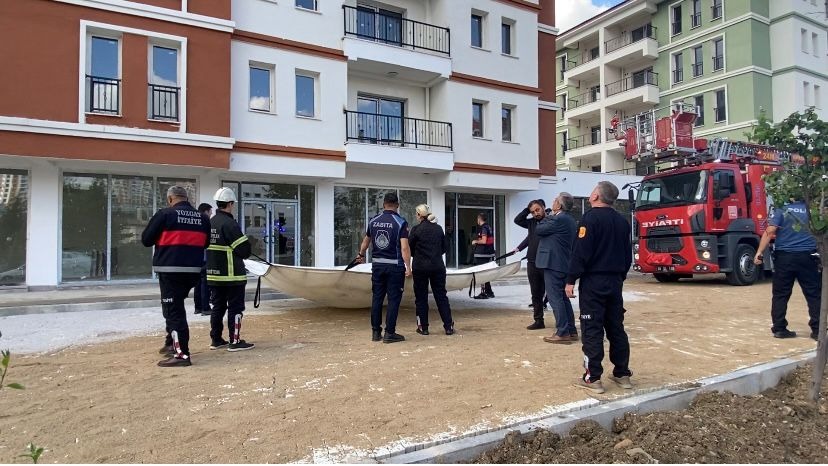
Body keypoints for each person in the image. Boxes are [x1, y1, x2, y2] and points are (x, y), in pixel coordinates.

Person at [565, 181, 633, 394]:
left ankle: (592, 377)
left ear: (596, 196)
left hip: (594, 282)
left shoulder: (590, 219)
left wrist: (570, 280)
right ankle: (622, 374)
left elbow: (580, 253)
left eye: (593, 189)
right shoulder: (622, 221)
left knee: (591, 328)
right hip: (615, 282)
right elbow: (626, 254)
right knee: (616, 327)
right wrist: (619, 276)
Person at [141, 186, 210, 367]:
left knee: (174, 311)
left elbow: (146, 240)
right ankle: (171, 342)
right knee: (174, 308)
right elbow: (206, 242)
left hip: (170, 270)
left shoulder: (165, 215)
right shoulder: (203, 218)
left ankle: (181, 354)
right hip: (193, 271)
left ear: (170, 199)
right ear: (186, 198)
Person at [754, 199, 821, 341]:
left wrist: (759, 252)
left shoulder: (782, 209)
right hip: (807, 257)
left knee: (780, 294)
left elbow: (770, 230)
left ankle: (779, 329)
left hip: (784, 258)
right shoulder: (812, 210)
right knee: (813, 294)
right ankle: (817, 330)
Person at [355, 192, 412, 343]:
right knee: (393, 300)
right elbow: (405, 247)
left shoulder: (374, 221)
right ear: (397, 205)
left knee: (377, 298)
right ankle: (389, 333)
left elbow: (366, 241)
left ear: (383, 204)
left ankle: (375, 332)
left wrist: (360, 255)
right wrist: (408, 266)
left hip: (378, 266)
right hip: (395, 266)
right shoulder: (400, 222)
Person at [206, 187, 254, 352]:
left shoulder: (210, 222)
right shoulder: (229, 223)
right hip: (232, 276)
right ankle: (235, 340)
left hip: (213, 275)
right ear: (230, 203)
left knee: (217, 307)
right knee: (235, 308)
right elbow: (244, 251)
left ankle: (216, 339)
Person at [536, 193, 578, 344]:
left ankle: (562, 332)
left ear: (559, 206)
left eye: (555, 200)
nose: (552, 202)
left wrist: (546, 216)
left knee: (555, 299)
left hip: (554, 264)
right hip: (562, 263)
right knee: (563, 299)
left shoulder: (558, 218)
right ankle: (571, 330)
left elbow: (539, 229)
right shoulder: (569, 219)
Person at [408, 204, 455, 336]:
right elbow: (444, 248)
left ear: (419, 215)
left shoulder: (416, 230)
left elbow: (410, 248)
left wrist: (418, 255)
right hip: (437, 266)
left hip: (420, 267)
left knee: (421, 297)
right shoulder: (439, 229)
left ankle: (423, 327)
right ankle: (448, 326)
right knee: (441, 296)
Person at [514, 199, 547, 329]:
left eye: (538, 209)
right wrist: (527, 210)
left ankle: (563, 323)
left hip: (546, 262)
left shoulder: (550, 222)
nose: (535, 213)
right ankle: (539, 320)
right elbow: (518, 220)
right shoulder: (532, 223)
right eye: (533, 212)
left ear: (544, 207)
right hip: (532, 262)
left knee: (553, 292)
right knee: (535, 293)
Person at [194, 202, 213, 316]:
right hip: (205, 258)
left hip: (195, 258)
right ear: (206, 211)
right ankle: (205, 308)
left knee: (197, 284)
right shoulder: (206, 223)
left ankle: (198, 307)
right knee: (205, 284)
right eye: (210, 212)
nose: (211, 214)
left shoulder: (195, 222)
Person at [471, 213, 496, 299]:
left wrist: (475, 241)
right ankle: (489, 291)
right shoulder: (488, 227)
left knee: (482, 273)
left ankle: (483, 293)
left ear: (479, 219)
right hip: (488, 252)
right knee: (485, 273)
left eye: (477, 219)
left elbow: (484, 241)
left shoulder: (483, 228)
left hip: (482, 253)